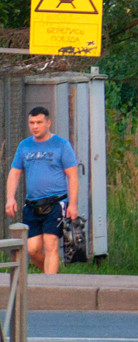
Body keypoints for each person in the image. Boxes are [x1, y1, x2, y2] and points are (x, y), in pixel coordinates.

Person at [5, 106, 80, 274]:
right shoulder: (25, 146)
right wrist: (10, 198)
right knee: (32, 249)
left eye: (39, 122)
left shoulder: (61, 145)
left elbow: (73, 176)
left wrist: (73, 204)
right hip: (32, 204)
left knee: (50, 243)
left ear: (48, 123)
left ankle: (50, 289)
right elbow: (15, 173)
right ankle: (52, 278)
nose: (35, 126)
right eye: (32, 122)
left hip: (56, 203)